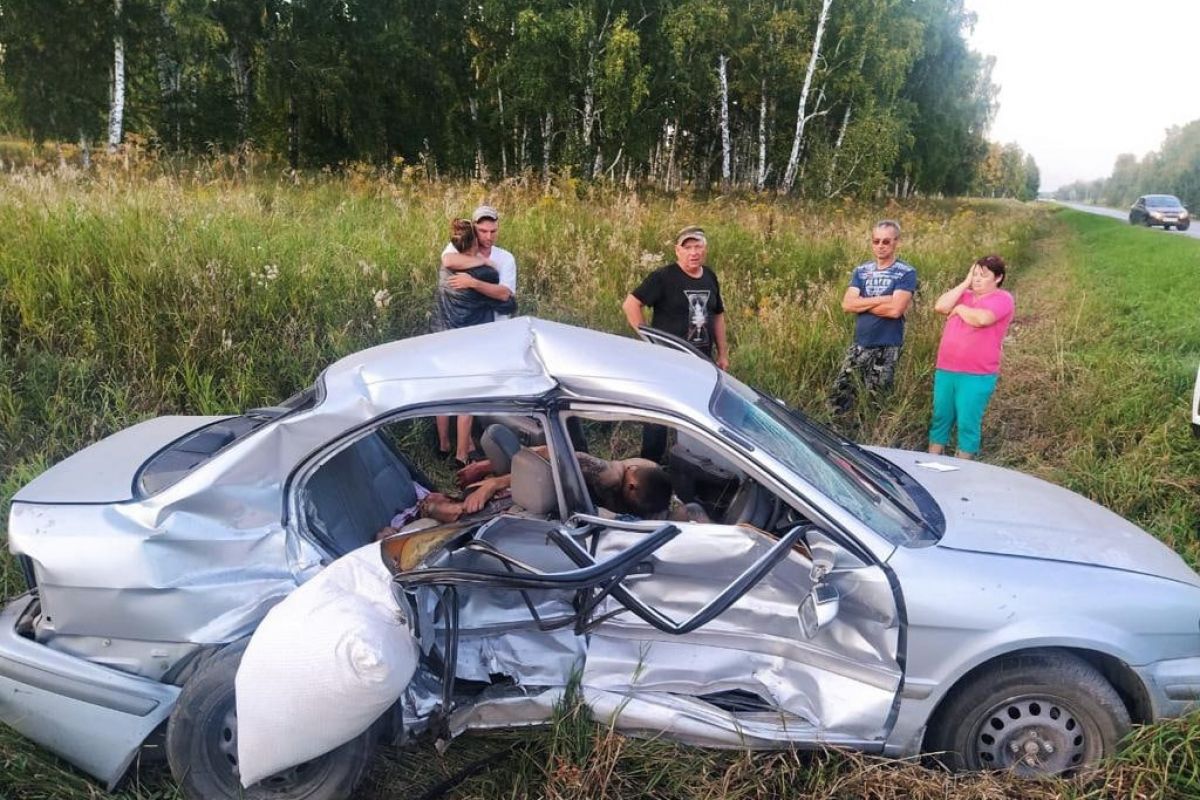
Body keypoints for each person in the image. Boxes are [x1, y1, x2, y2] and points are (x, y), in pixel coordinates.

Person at [622, 226, 729, 461]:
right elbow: (631, 304)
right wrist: (649, 340)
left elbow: (718, 315)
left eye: (698, 246)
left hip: (701, 361)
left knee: (698, 417)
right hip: (667, 361)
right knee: (658, 420)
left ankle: (692, 467)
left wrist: (722, 353)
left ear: (705, 249)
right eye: (687, 247)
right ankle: (648, 469)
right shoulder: (663, 277)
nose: (693, 252)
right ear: (677, 251)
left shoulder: (710, 277)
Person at [433, 218, 516, 465]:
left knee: (444, 391)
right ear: (474, 240)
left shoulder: (446, 270)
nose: (488, 237)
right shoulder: (485, 272)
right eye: (483, 232)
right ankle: (461, 456)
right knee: (466, 397)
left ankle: (443, 445)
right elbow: (508, 301)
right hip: (470, 339)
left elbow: (448, 260)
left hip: (443, 335)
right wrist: (483, 275)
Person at [927, 255, 1014, 460]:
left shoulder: (1003, 299)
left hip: (976, 373)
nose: (977, 279)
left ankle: (963, 466)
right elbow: (940, 306)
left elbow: (983, 319)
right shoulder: (964, 294)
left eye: (983, 276)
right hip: (947, 368)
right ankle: (932, 460)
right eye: (974, 274)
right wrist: (965, 283)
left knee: (967, 422)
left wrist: (959, 309)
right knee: (941, 418)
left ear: (998, 278)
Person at [829, 220, 917, 415]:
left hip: (887, 346)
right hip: (860, 344)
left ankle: (871, 437)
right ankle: (838, 431)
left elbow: (895, 310)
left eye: (886, 241)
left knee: (874, 401)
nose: (880, 246)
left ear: (896, 242)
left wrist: (864, 303)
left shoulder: (906, 272)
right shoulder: (862, 271)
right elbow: (847, 304)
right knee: (840, 394)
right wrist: (884, 298)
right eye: (876, 241)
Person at [440, 204, 517, 321]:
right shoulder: (460, 245)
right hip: (465, 322)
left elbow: (504, 294)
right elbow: (447, 260)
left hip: (497, 324)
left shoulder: (506, 258)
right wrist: (483, 260)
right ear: (474, 230)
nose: (489, 237)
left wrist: (472, 283)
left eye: (493, 231)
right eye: (483, 231)